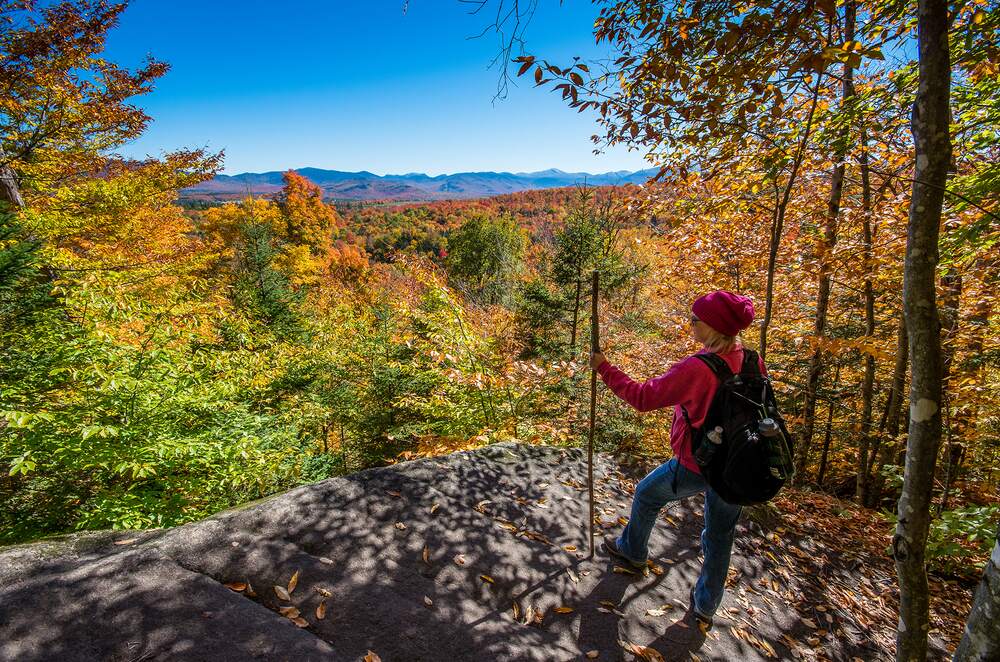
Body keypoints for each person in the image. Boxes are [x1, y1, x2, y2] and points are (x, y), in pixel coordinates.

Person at [589, 290, 762, 630]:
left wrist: (604, 368)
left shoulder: (697, 369)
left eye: (695, 319)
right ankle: (706, 607)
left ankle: (633, 551)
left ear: (711, 326)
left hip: (697, 463)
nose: (690, 323)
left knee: (648, 494)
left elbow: (642, 397)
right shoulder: (751, 359)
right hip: (738, 466)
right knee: (719, 536)